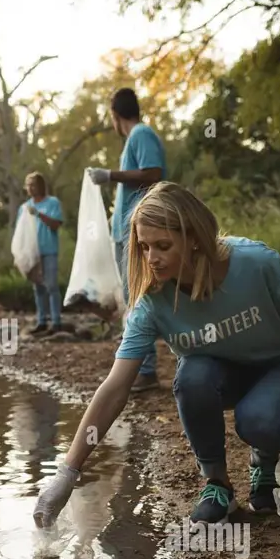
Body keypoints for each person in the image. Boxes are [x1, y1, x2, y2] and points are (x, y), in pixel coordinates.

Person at [32, 181, 280, 530]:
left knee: (257, 421)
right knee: (192, 375)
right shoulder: (153, 304)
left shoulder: (253, 262)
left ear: (193, 238)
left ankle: (264, 461)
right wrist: (68, 473)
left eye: (163, 246)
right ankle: (218, 486)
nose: (151, 258)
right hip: (228, 375)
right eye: (144, 247)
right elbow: (114, 388)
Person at [88, 87, 168, 392]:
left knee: (138, 296)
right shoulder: (135, 139)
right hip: (128, 229)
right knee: (136, 295)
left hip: (138, 231)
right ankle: (142, 367)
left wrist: (110, 175)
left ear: (115, 114)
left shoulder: (140, 134)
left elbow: (153, 172)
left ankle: (145, 370)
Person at [22, 172, 64, 334]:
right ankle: (41, 321)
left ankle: (56, 321)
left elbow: (56, 225)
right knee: (37, 287)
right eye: (28, 185)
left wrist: (39, 214)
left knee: (51, 285)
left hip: (49, 250)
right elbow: (22, 232)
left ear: (40, 185)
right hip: (33, 253)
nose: (30, 188)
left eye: (33, 184)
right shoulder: (24, 207)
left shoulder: (52, 203)